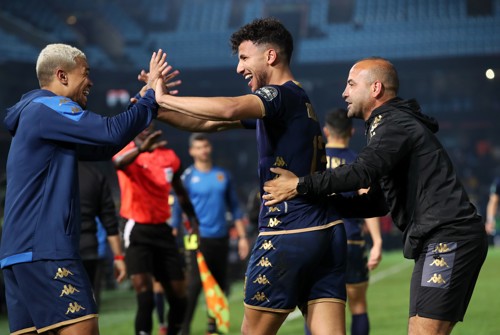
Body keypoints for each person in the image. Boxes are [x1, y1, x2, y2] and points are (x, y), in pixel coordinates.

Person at [262, 57, 488, 335]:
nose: (344, 93)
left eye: (351, 84)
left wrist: (300, 185)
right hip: (436, 237)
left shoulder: (393, 123)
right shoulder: (389, 124)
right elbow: (378, 201)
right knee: (420, 330)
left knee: (423, 332)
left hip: (449, 236)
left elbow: (361, 172)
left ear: (375, 88)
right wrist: (322, 205)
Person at [152, 18, 347, 335]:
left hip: (287, 231)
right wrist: (155, 108)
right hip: (326, 231)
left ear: (270, 56)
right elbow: (209, 124)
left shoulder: (279, 95)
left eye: (244, 58)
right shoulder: (296, 99)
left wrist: (161, 97)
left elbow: (228, 109)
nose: (238, 68)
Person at [0, 43, 166, 335]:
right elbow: (110, 131)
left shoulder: (34, 115)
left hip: (18, 254)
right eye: (85, 73)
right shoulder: (49, 108)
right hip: (46, 249)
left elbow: (104, 146)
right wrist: (151, 95)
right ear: (62, 76)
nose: (91, 81)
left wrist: (141, 100)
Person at [113, 122, 200, 335]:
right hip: (136, 228)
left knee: (180, 298)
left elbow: (180, 192)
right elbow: (118, 164)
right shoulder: (127, 151)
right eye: (141, 124)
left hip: (163, 229)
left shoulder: (169, 156)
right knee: (145, 298)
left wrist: (193, 220)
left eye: (149, 124)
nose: (146, 128)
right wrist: (141, 149)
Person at [305, 108, 382, 335]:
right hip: (351, 240)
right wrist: (377, 241)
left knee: (313, 305)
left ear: (326, 131)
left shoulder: (312, 159)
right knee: (358, 305)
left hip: (316, 240)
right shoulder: (358, 161)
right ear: (351, 130)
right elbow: (369, 201)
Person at [181, 133, 249, 335]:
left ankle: (214, 326)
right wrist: (179, 233)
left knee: (220, 284)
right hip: (198, 239)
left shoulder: (223, 175)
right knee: (194, 285)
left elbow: (235, 208)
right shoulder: (186, 178)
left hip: (221, 237)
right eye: (199, 147)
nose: (203, 150)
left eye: (206, 146)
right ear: (192, 151)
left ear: (210, 148)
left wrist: (243, 237)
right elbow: (179, 211)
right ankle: (183, 328)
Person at [78, 160, 127, 309]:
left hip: (56, 252)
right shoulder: (94, 173)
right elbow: (109, 220)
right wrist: (118, 257)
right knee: (88, 306)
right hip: (89, 248)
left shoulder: (47, 170)